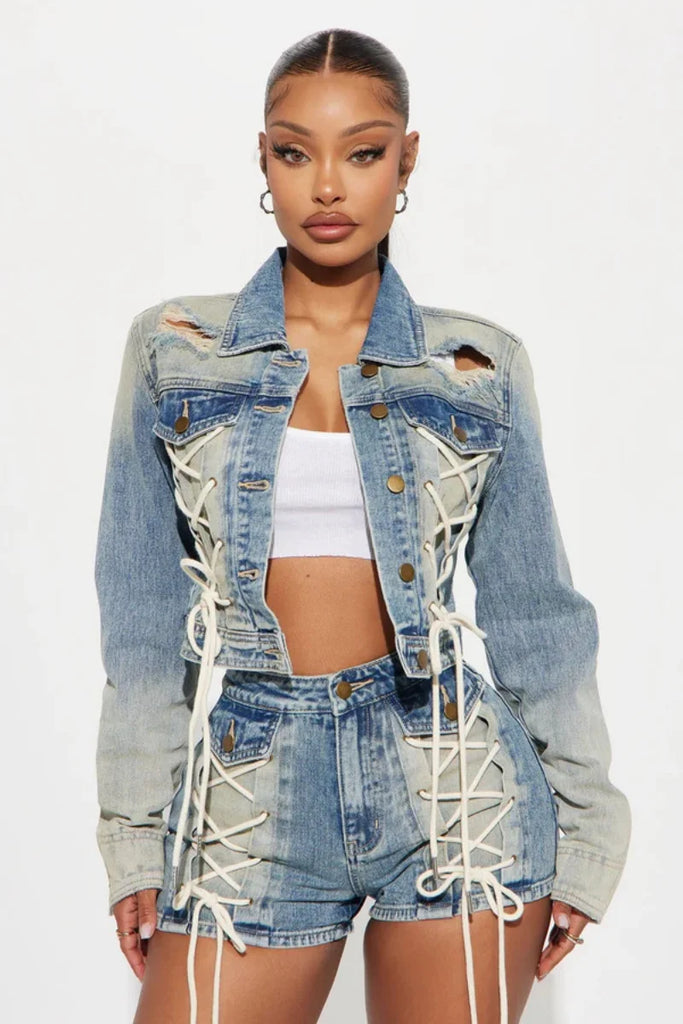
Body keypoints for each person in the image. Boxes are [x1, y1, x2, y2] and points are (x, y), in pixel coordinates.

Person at [93, 27, 631, 1024]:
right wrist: (134, 834)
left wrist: (589, 835)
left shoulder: (476, 366)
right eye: (295, 152)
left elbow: (537, 616)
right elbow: (140, 622)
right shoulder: (176, 352)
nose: (328, 186)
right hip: (249, 786)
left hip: (453, 787)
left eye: (364, 151)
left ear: (405, 161)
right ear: (263, 160)